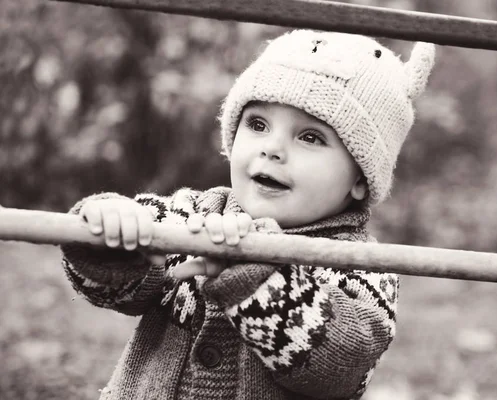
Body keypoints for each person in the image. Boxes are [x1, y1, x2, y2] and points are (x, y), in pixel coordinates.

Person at [61, 29, 435, 400]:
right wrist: (112, 234)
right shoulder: (194, 215)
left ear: (360, 178)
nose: (272, 148)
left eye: (310, 137)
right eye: (258, 124)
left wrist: (254, 277)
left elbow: (340, 369)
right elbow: (120, 290)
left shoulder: (361, 268)